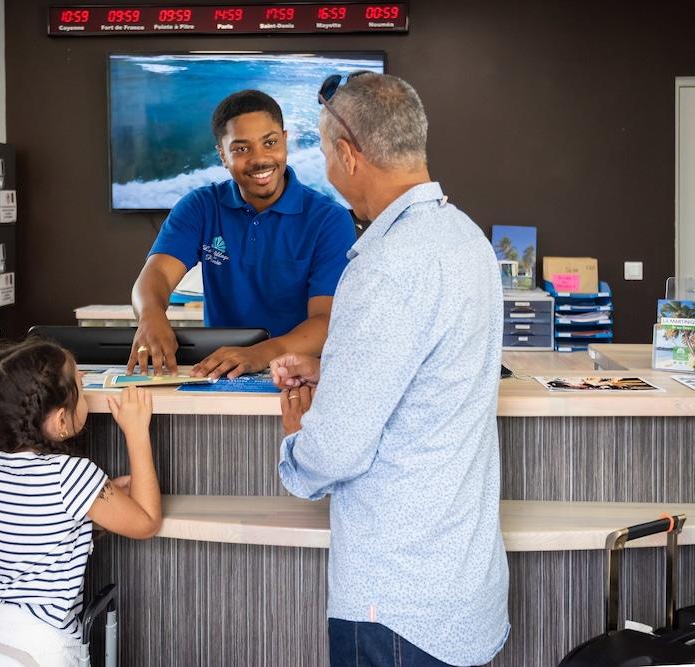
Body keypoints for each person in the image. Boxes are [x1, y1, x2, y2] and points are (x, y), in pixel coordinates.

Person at [271, 72, 510, 666]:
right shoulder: (467, 240)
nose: (324, 169)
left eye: (324, 153)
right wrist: (341, 369)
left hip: (396, 610)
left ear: (350, 156)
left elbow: (337, 451)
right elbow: (435, 375)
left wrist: (297, 449)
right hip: (463, 592)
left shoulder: (385, 265)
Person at [0, 339, 162, 666]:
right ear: (61, 422)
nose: (85, 386)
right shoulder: (72, 476)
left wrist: (94, 500)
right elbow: (146, 521)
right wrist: (136, 432)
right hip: (40, 646)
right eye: (80, 385)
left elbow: (38, 515)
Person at [129, 89, 356, 379]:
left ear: (286, 141)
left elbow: (326, 321)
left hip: (299, 378)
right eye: (241, 148)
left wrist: (259, 354)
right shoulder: (200, 206)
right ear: (222, 155)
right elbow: (156, 274)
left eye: (270, 143)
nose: (260, 159)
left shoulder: (330, 219)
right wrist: (150, 315)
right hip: (220, 373)